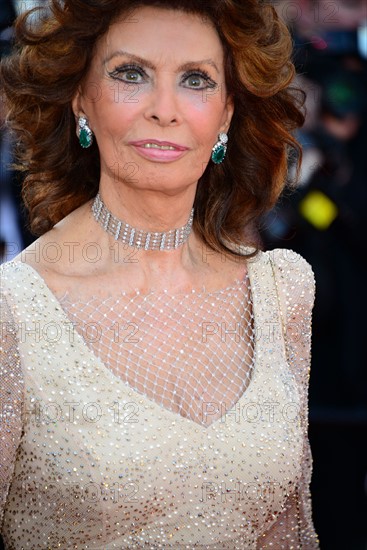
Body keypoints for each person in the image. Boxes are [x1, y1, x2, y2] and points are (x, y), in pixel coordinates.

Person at [0, 0, 319, 547]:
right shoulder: (13, 312)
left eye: (196, 79)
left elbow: (287, 531)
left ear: (225, 114)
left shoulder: (280, 292)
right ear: (81, 100)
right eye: (131, 74)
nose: (164, 109)